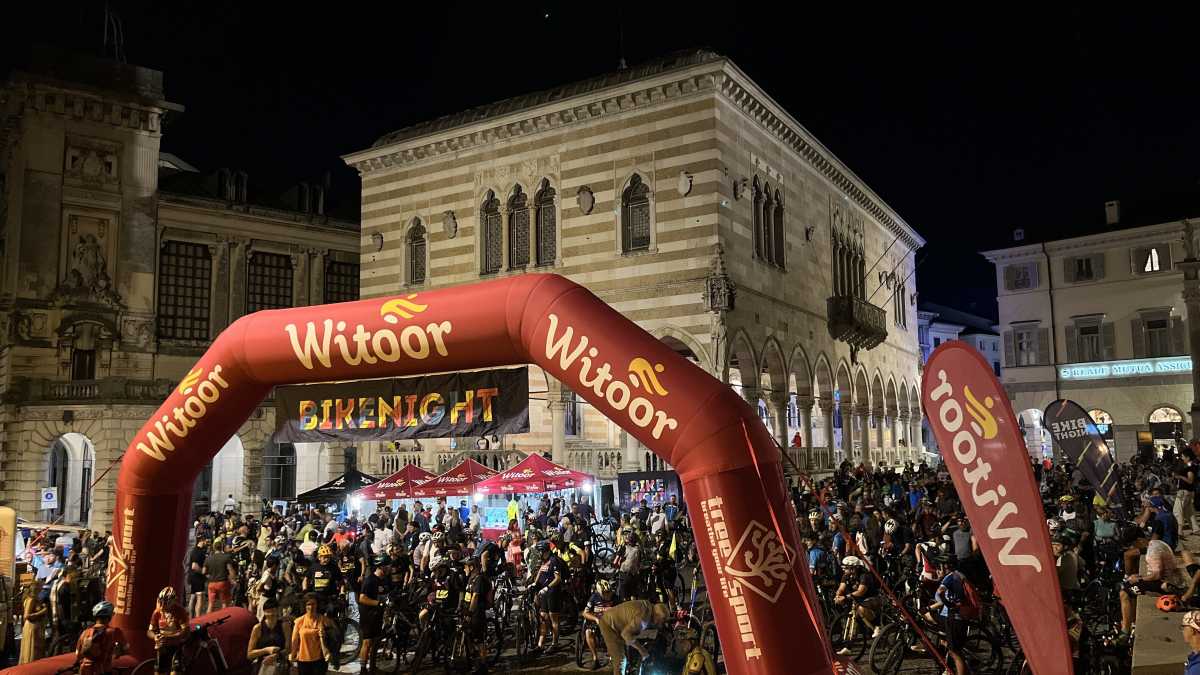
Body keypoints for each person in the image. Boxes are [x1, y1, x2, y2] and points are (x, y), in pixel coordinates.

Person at [596, 600, 670, 675]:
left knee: (623, 655)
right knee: (620, 660)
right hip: (609, 625)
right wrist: (642, 650)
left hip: (616, 624)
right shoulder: (643, 618)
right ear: (657, 615)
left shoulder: (648, 607)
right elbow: (626, 634)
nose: (660, 624)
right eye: (661, 621)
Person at [357, 554, 388, 673]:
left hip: (378, 615)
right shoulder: (370, 580)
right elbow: (362, 598)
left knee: (376, 642)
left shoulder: (383, 580)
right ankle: (363, 669)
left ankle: (373, 666)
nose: (389, 567)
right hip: (368, 616)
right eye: (387, 565)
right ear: (381, 567)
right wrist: (378, 603)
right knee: (367, 642)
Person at [148, 587, 189, 675]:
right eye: (160, 603)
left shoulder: (180, 611)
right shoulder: (157, 612)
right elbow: (149, 631)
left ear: (173, 602)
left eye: (166, 604)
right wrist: (155, 636)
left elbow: (186, 632)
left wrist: (170, 637)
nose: (162, 607)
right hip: (162, 647)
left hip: (176, 646)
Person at [75, 601, 125, 675]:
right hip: (104, 670)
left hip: (85, 670)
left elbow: (78, 654)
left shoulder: (85, 632)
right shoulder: (114, 632)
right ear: (109, 617)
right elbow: (124, 649)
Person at [290, 593, 334, 675]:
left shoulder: (324, 620)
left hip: (320, 660)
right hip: (303, 660)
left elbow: (334, 635)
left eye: (313, 604)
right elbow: (294, 640)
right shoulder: (299, 621)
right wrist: (292, 655)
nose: (311, 607)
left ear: (317, 605)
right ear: (305, 606)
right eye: (308, 604)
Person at [460, 555, 492, 667]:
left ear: (472, 567)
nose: (464, 569)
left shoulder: (479, 579)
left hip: (476, 612)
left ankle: (483, 664)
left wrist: (469, 613)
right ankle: (472, 655)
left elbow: (475, 597)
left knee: (479, 639)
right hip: (468, 610)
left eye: (465, 566)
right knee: (466, 632)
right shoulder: (471, 577)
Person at [581, 579, 616, 670]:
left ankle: (612, 654)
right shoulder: (594, 597)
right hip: (597, 621)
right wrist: (596, 619)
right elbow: (585, 613)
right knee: (588, 632)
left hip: (611, 621)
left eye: (608, 592)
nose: (607, 594)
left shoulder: (615, 597)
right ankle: (595, 658)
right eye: (605, 593)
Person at [248, 599, 289, 675]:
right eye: (268, 611)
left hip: (280, 665)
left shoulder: (284, 625)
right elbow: (250, 654)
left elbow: (289, 648)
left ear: (278, 611)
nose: (271, 614)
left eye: (274, 610)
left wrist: (276, 655)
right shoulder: (258, 628)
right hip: (263, 666)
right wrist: (266, 650)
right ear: (264, 612)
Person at [19, 579, 47, 664]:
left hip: (34, 627)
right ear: (36, 588)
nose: (42, 588)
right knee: (32, 651)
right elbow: (26, 616)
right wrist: (42, 611)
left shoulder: (34, 599)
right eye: (40, 587)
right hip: (31, 627)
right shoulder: (31, 599)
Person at [203, 539, 236, 611]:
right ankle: (224, 619)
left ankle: (208, 620)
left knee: (211, 604)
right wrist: (233, 580)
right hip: (222, 583)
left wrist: (209, 576)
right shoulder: (226, 557)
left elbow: (203, 571)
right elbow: (230, 570)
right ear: (222, 547)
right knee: (224, 603)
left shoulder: (208, 558)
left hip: (211, 583)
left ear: (214, 548)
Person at [186, 536, 209, 617]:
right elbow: (194, 566)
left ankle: (191, 618)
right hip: (198, 578)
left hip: (193, 577)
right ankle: (198, 618)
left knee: (193, 597)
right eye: (206, 540)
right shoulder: (198, 552)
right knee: (200, 598)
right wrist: (203, 572)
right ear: (202, 540)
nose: (207, 542)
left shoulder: (194, 550)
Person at [1183, 610, 1200, 675]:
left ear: (1192, 630)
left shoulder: (1197, 668)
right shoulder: (1194, 656)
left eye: (1184, 627)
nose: (1183, 631)